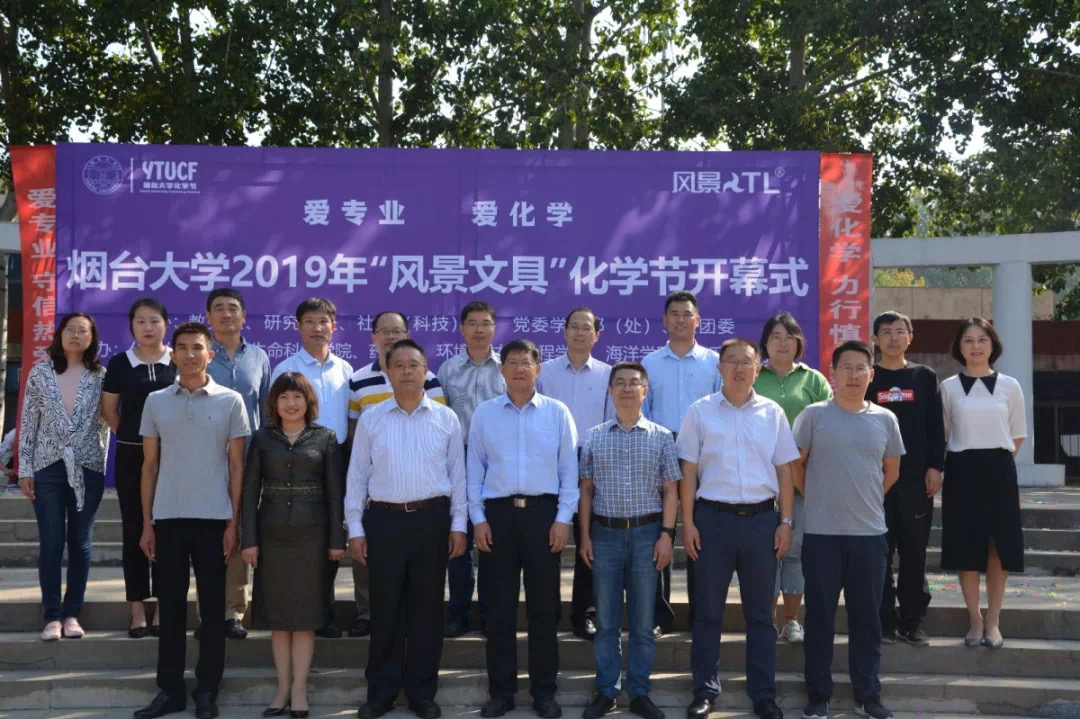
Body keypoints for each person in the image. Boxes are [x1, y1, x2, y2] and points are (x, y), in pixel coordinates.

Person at [134, 322, 250, 719]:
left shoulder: (231, 400)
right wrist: (147, 523)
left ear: (209, 354)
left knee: (213, 611)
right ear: (173, 354)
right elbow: (149, 467)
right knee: (170, 608)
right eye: (181, 347)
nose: (189, 354)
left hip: (215, 519)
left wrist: (234, 523)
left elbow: (237, 466)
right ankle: (170, 690)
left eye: (197, 347)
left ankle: (207, 689)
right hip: (168, 518)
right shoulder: (156, 401)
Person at [677, 339, 797, 719]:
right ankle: (705, 690)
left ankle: (763, 694)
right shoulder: (700, 412)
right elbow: (688, 472)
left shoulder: (772, 413)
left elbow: (784, 470)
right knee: (707, 613)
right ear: (720, 368)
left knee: (761, 615)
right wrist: (688, 523)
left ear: (758, 369)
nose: (740, 368)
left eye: (747, 362)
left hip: (761, 522)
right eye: (732, 362)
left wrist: (786, 522)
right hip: (712, 521)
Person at [347, 340, 467, 719]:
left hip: (432, 522)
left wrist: (458, 525)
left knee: (427, 611)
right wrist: (355, 528)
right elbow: (357, 477)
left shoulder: (445, 418)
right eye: (398, 365)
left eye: (413, 364)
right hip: (384, 522)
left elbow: (459, 477)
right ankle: (381, 693)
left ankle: (421, 692)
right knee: (385, 610)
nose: (406, 371)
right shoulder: (372, 418)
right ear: (387, 371)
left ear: (425, 370)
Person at [793, 340, 904, 719]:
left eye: (861, 368)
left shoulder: (885, 419)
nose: (854, 375)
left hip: (869, 535)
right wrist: (818, 496)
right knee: (820, 617)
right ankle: (818, 694)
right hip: (821, 535)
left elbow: (891, 472)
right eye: (846, 367)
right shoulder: (813, 415)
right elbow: (796, 465)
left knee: (867, 620)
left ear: (871, 374)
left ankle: (867, 695)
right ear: (833, 374)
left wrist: (864, 498)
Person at [468, 339, 578, 719]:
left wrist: (563, 520)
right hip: (497, 517)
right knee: (498, 610)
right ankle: (502, 693)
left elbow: (569, 471)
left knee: (544, 609)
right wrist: (478, 519)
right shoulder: (485, 414)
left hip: (543, 516)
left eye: (525, 362)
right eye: (511, 363)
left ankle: (544, 692)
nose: (518, 369)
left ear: (538, 369)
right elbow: (474, 471)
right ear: (501, 370)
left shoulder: (557, 413)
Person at [577, 362, 678, 719]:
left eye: (634, 383)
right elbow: (586, 491)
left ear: (645, 391)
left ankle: (639, 692)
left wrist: (667, 535)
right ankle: (607, 691)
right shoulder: (593, 436)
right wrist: (585, 536)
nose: (626, 389)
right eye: (619, 383)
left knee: (642, 623)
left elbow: (671, 490)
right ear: (610, 391)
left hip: (647, 535)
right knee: (606, 622)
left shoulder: (662, 437)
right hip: (604, 535)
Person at [241, 372, 344, 719]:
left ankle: (299, 690)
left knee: (304, 618)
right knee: (279, 618)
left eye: (297, 397)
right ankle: (282, 689)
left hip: (312, 537)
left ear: (308, 401)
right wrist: (249, 540)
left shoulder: (326, 438)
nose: (291, 403)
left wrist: (336, 540)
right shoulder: (262, 438)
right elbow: (250, 492)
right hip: (271, 537)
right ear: (275, 403)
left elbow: (335, 494)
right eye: (284, 397)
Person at [346, 310, 446, 638]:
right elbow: (356, 452)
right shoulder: (358, 380)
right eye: (384, 331)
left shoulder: (432, 385)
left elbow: (442, 449)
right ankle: (367, 619)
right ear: (373, 337)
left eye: (397, 331)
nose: (390, 337)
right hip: (382, 504)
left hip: (427, 512)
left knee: (424, 603)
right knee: (384, 600)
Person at [18, 312, 110, 642]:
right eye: (70, 329)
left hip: (88, 468)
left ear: (92, 338)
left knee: (80, 543)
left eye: (83, 331)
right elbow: (29, 421)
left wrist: (99, 462)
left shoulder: (100, 376)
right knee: (52, 541)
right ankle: (52, 616)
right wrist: (25, 469)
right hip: (47, 467)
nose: (76, 335)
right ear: (60, 335)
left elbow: (104, 425)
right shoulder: (41, 373)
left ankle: (72, 614)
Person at [939, 317, 1026, 650]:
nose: (975, 346)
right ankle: (975, 619)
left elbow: (1017, 434)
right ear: (959, 347)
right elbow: (944, 434)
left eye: (981, 340)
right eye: (968, 340)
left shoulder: (1010, 386)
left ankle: (994, 620)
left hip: (999, 469)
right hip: (961, 470)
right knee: (965, 544)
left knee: (997, 545)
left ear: (992, 344)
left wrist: (996, 462)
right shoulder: (948, 387)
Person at [271, 297, 354, 639]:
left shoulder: (346, 370)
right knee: (304, 539)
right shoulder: (285, 369)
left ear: (334, 327)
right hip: (298, 459)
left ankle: (325, 610)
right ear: (298, 326)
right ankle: (302, 610)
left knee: (333, 534)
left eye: (324, 322)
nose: (317, 328)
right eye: (310, 321)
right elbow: (274, 419)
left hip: (338, 458)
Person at [642, 291, 722, 636]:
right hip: (659, 449)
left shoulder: (714, 362)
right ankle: (659, 616)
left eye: (686, 314)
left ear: (698, 320)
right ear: (664, 320)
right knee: (658, 533)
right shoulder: (649, 363)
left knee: (698, 532)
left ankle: (700, 615)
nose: (680, 319)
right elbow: (643, 413)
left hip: (703, 455)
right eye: (673, 314)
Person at [867, 311, 945, 646]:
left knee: (914, 552)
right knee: (879, 551)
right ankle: (883, 621)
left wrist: (935, 466)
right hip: (876, 481)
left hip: (916, 479)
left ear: (910, 337)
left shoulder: (924, 376)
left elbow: (935, 425)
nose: (893, 338)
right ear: (875, 339)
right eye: (886, 332)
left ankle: (912, 621)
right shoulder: (869, 377)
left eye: (900, 331)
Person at [753, 312, 832, 645]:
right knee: (764, 555)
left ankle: (791, 620)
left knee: (794, 552)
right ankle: (766, 620)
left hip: (801, 481)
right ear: (765, 343)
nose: (782, 343)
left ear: (799, 342)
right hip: (758, 483)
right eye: (775, 337)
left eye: (789, 337)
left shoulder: (813, 380)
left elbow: (827, 427)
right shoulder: (754, 377)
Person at [102, 298, 177, 638]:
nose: (148, 327)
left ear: (166, 324)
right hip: (132, 456)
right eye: (140, 321)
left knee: (168, 529)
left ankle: (162, 605)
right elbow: (109, 411)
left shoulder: (177, 361)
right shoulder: (121, 363)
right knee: (134, 528)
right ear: (131, 327)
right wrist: (136, 437)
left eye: (154, 321)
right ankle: (136, 607)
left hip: (174, 456)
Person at [539, 306, 612, 641]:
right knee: (549, 540)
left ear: (597, 335)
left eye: (587, 328)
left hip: (593, 463)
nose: (580, 333)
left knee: (589, 541)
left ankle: (585, 612)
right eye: (574, 327)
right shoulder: (545, 372)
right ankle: (548, 611)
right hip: (551, 463)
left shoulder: (609, 374)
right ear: (564, 331)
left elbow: (611, 424)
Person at [206, 288, 272, 641]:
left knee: (242, 531)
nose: (226, 314)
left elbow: (267, 412)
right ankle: (211, 611)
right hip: (206, 459)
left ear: (244, 316)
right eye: (218, 308)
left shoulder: (258, 357)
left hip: (248, 461)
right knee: (209, 535)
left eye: (233, 308)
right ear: (208, 317)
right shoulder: (199, 355)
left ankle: (235, 611)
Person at [438, 301, 506, 638]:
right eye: (473, 323)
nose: (479, 329)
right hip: (459, 459)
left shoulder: (507, 367)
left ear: (494, 328)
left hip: (499, 462)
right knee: (459, 537)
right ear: (462, 328)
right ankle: (459, 611)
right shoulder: (447, 370)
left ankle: (492, 613)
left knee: (495, 541)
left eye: (486, 323)